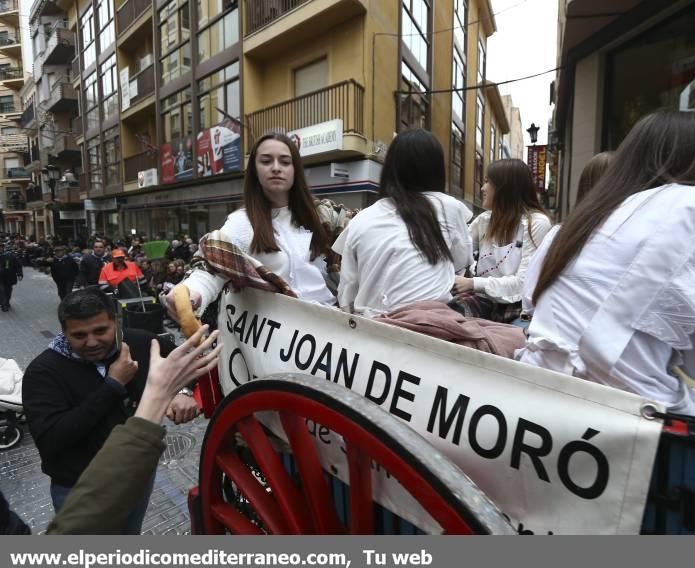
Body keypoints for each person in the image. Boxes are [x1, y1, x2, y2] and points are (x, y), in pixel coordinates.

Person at [516, 110, 695, 417]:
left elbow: (531, 299)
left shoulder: (583, 221)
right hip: (633, 419)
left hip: (539, 394)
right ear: (681, 160)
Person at [2, 325, 220, 535]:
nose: (92, 342)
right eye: (79, 335)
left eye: (100, 331)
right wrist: (113, 385)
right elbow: (52, 441)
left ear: (115, 322)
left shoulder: (138, 340)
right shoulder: (42, 372)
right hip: (78, 487)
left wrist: (182, 390)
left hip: (136, 476)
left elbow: (177, 361)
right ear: (64, 331)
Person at [162, 132, 336, 319]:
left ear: (296, 170)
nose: (276, 168)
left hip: (332, 331)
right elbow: (211, 267)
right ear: (255, 170)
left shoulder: (323, 215)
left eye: (285, 162)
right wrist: (192, 292)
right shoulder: (242, 223)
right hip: (276, 338)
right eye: (266, 161)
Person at [332, 129, 472, 317]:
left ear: (390, 168)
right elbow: (460, 262)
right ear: (436, 169)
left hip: (372, 326)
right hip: (433, 324)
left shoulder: (361, 219)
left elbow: (348, 290)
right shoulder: (448, 206)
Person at [450, 159, 552, 322]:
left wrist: (472, 283)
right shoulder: (483, 220)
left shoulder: (536, 223)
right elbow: (457, 253)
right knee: (446, 317)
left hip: (520, 307)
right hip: (484, 301)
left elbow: (523, 283)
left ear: (506, 188)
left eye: (488, 182)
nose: (482, 188)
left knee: (519, 339)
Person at [0, 241, 23, 311]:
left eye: (1, 247)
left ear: (3, 248)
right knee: (2, 291)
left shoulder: (10, 256)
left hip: (9, 278)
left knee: (8, 291)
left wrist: (19, 274)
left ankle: (6, 302)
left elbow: (18, 265)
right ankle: (4, 305)